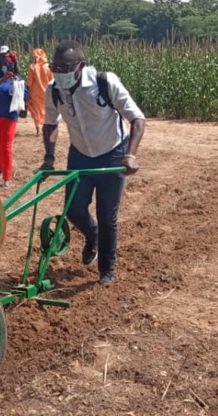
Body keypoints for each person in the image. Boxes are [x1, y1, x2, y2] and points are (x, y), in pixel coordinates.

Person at [38, 40, 146, 286]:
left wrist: (130, 154)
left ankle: (106, 270)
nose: (60, 73)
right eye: (56, 67)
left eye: (65, 68)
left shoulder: (104, 83)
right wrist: (49, 158)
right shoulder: (54, 90)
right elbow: (51, 123)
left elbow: (137, 119)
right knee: (73, 210)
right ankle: (91, 234)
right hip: (79, 156)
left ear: (80, 66)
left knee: (107, 217)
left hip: (112, 154)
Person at [0, 56, 28, 189]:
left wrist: (16, 84)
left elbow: (25, 94)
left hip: (10, 116)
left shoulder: (18, 78)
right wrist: (3, 80)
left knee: (6, 146)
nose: (7, 67)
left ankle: (7, 178)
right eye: (5, 64)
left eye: (9, 64)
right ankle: (0, 169)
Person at [25, 48, 53, 136]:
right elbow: (52, 80)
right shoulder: (48, 67)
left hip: (35, 93)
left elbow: (29, 82)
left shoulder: (32, 67)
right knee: (45, 110)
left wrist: (26, 90)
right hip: (46, 92)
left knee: (36, 111)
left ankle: (38, 130)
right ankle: (46, 129)